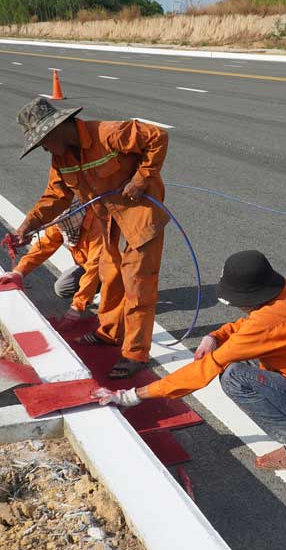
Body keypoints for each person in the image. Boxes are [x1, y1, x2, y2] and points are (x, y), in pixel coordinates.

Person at [95, 250, 286, 471]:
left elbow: (204, 371)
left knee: (235, 375)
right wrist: (215, 335)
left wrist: (134, 395)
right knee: (244, 364)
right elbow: (253, 325)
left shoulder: (271, 321)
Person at [12, 98, 169, 379]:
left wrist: (143, 177)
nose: (45, 148)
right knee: (111, 276)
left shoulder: (108, 133)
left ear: (57, 130)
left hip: (139, 216)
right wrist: (28, 225)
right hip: (108, 220)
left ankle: (135, 353)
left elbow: (158, 136)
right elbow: (56, 196)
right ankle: (109, 332)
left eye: (44, 142)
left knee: (137, 285)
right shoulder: (61, 159)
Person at [0, 208, 103, 317]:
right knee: (63, 287)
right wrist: (19, 272)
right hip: (88, 264)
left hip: (108, 268)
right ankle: (98, 289)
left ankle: (114, 293)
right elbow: (45, 246)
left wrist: (77, 306)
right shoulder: (65, 219)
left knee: (110, 301)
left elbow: (94, 266)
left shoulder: (97, 227)